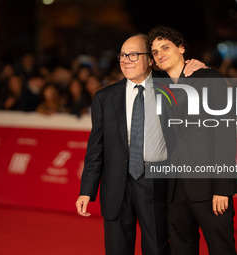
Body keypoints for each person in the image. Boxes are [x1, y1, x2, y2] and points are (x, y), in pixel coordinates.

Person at [75, 34, 206, 255]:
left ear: (151, 60)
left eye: (133, 55)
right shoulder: (105, 97)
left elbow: (202, 95)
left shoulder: (172, 88)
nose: (126, 60)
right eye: (122, 55)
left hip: (156, 182)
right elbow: (96, 147)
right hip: (116, 185)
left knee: (156, 247)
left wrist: (201, 68)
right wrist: (86, 190)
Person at [147, 26, 237, 255]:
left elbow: (225, 135)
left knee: (221, 248)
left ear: (181, 48)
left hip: (209, 186)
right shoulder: (161, 86)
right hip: (176, 187)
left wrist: (222, 187)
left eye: (165, 47)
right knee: (181, 248)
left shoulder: (209, 78)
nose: (160, 54)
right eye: (155, 52)